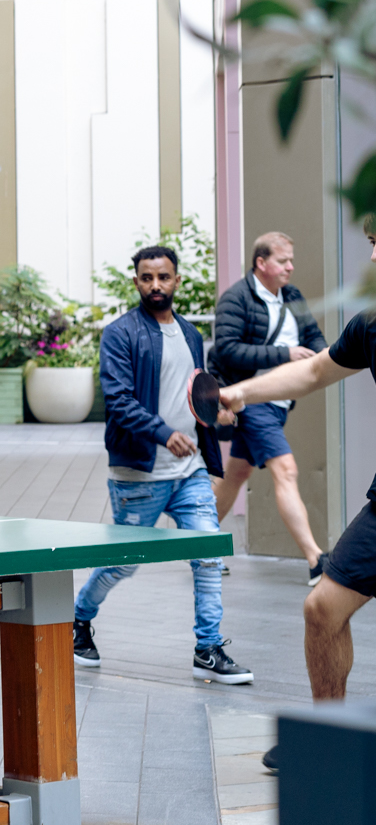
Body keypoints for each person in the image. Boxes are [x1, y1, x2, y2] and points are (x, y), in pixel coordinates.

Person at [219, 228, 376, 771]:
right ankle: (328, 737)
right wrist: (241, 391)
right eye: (372, 240)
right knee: (322, 608)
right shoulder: (371, 324)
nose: (373, 253)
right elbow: (312, 370)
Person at [71, 244, 251, 686]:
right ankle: (78, 619)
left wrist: (216, 416)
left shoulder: (190, 334)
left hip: (188, 472)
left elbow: (193, 395)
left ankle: (207, 649)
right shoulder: (120, 334)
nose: (156, 285)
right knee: (124, 562)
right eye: (147, 277)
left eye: (164, 277)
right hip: (139, 474)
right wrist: (163, 433)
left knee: (208, 554)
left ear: (176, 281)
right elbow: (118, 401)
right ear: (136, 281)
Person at [212, 231, 330, 584]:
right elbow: (227, 349)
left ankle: (197, 543)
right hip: (250, 400)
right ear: (261, 263)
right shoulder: (236, 298)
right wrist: (285, 354)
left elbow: (314, 337)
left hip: (278, 403)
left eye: (291, 260)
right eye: (282, 261)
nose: (290, 267)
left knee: (237, 473)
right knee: (286, 470)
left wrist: (321, 359)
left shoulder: (292, 296)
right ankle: (316, 559)